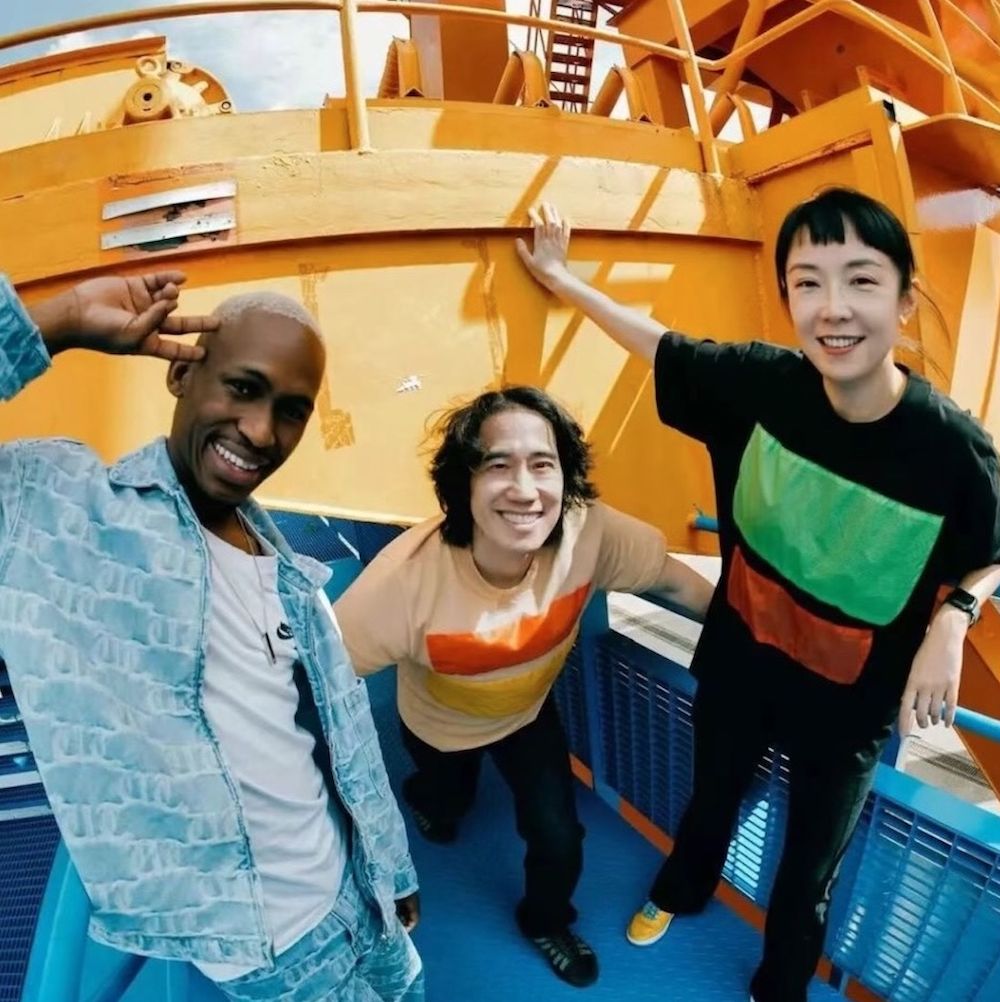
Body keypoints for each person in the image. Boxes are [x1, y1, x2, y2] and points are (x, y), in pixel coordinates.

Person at [515, 191, 1000, 1002]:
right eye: (808, 283)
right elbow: (660, 346)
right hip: (744, 659)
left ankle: (779, 986)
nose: (833, 308)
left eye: (861, 281)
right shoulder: (762, 384)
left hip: (850, 702)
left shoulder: (950, 447)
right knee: (711, 796)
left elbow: (991, 551)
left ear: (905, 301)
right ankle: (682, 891)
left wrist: (954, 619)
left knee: (809, 867)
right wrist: (563, 279)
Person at [0, 271, 422, 1001]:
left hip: (360, 895)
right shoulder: (61, 514)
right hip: (266, 946)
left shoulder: (287, 568)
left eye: (290, 411)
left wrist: (391, 867)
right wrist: (57, 321)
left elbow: (342, 740)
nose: (260, 432)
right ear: (180, 375)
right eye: (242, 388)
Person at [333, 384, 714, 989]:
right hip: (437, 725)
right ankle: (434, 799)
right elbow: (314, 693)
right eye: (497, 466)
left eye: (543, 464)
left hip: (527, 716)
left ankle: (545, 920)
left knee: (559, 835)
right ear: (463, 483)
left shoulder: (591, 533)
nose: (525, 489)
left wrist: (769, 644)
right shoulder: (399, 587)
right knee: (444, 803)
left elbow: (673, 583)